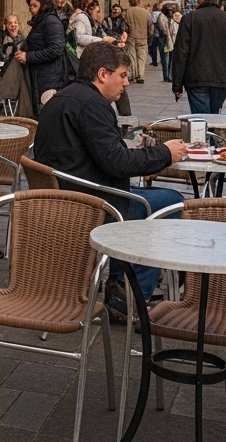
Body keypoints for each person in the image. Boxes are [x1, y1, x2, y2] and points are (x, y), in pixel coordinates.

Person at [34, 42, 188, 317]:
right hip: (90, 204)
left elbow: (99, 153)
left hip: (65, 194)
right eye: (123, 75)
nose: (127, 82)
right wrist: (165, 153)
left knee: (152, 198)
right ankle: (131, 294)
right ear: (103, 74)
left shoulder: (64, 97)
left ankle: (121, 283)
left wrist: (140, 151)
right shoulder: (93, 105)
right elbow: (117, 163)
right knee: (170, 202)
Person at [15, 0, 70, 112]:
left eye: (34, 5)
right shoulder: (41, 21)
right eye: (30, 5)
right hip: (40, 76)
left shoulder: (51, 22)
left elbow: (56, 49)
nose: (31, 8)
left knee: (47, 115)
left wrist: (28, 56)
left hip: (50, 78)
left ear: (44, 6)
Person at [123, 0, 152, 84]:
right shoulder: (146, 12)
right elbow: (150, 26)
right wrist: (149, 36)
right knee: (142, 57)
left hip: (131, 36)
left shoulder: (128, 11)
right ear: (139, 2)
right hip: (143, 37)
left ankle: (134, 74)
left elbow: (126, 25)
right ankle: (140, 75)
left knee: (132, 56)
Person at [158, 2, 180, 83]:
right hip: (164, 41)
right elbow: (163, 29)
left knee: (172, 60)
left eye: (171, 10)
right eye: (168, 10)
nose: (170, 12)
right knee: (165, 60)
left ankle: (170, 75)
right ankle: (166, 76)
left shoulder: (176, 18)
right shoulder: (162, 17)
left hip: (174, 41)